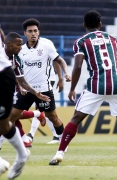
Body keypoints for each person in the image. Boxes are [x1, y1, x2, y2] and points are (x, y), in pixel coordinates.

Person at [49, 9, 117, 166]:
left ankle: (59, 154)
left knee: (76, 118)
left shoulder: (81, 42)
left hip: (96, 85)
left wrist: (72, 89)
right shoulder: (112, 38)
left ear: (84, 24)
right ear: (100, 24)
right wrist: (112, 73)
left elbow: (77, 66)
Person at [8, 18, 71, 146]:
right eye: (30, 31)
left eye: (35, 31)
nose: (33, 34)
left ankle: (63, 142)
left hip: (44, 89)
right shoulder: (19, 50)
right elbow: (17, 71)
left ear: (39, 32)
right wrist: (20, 86)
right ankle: (20, 140)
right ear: (25, 33)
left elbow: (60, 60)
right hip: (27, 90)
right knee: (10, 117)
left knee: (52, 117)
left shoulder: (46, 46)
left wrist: (66, 74)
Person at [0, 28, 30, 179]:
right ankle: (22, 154)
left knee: (4, 123)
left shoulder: (15, 59)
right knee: (3, 124)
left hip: (3, 76)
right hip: (5, 75)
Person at [27, 63, 62, 144]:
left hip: (46, 80)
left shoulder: (47, 50)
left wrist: (61, 78)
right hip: (35, 81)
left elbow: (57, 60)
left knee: (41, 109)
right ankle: (56, 135)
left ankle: (31, 135)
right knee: (45, 111)